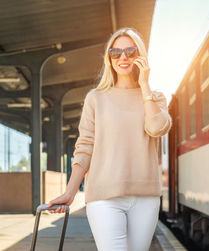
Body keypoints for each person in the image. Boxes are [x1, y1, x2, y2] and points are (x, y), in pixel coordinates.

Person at [47, 27, 172, 251]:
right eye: (116, 53)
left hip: (145, 198)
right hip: (104, 197)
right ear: (109, 58)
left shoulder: (155, 98)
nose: (123, 57)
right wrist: (70, 192)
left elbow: (157, 128)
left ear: (140, 56)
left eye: (130, 51)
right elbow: (85, 147)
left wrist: (144, 86)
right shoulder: (95, 98)